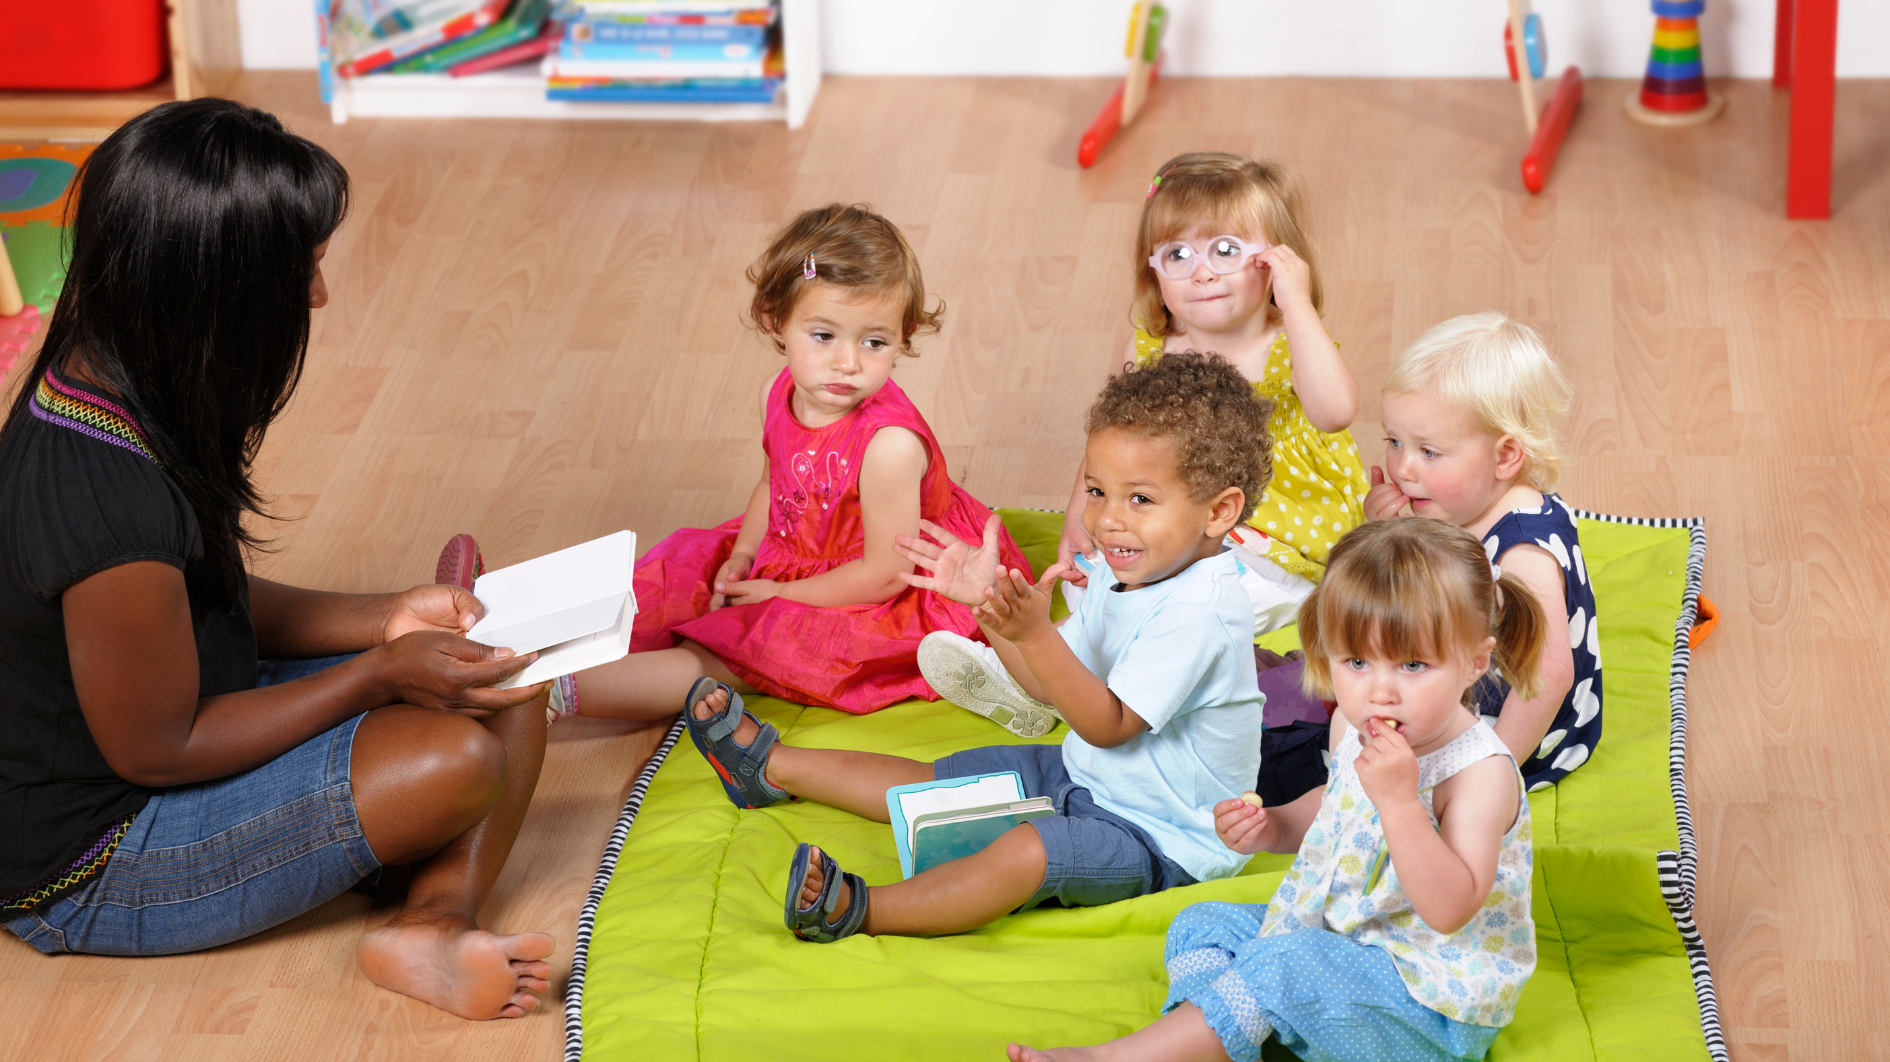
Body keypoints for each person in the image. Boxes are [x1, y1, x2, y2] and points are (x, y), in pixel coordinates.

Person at [0, 99, 556, 1021]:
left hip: (189, 728)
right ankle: (421, 903)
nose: (315, 296)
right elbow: (162, 748)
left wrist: (388, 618)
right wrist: (376, 673)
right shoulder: (105, 500)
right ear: (211, 290)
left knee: (508, 668)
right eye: (299, 270)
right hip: (100, 861)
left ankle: (430, 919)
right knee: (455, 757)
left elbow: (205, 600)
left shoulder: (112, 386)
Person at [682, 352, 1269, 942]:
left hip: (1161, 838)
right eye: (1096, 490)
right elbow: (1046, 686)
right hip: (1085, 777)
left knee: (1029, 853)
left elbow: (1108, 723)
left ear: (1219, 510)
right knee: (938, 782)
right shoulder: (1121, 576)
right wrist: (990, 609)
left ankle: (858, 910)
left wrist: (1036, 633)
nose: (1107, 519)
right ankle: (765, 767)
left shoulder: (1203, 614)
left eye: (1140, 499)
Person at [1007, 517, 1546, 1062]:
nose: (1381, 692)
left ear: (1475, 662)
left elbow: (1449, 908)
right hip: (1341, 937)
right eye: (1356, 663)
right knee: (1203, 924)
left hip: (1426, 1003)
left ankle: (1122, 1058)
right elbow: (1337, 807)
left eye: (1412, 665)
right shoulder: (1353, 729)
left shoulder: (1480, 774)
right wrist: (1275, 827)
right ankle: (1218, 1039)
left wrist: (1402, 804)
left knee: (1282, 965)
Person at [495, 203, 1029, 724]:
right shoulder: (777, 392)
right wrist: (746, 554)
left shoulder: (888, 446)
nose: (847, 363)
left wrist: (780, 594)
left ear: (903, 337)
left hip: (879, 591)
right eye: (823, 335)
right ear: (777, 321)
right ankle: (497, 634)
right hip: (797, 550)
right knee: (670, 582)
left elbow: (884, 577)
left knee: (740, 652)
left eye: (874, 342)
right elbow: (774, 482)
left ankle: (539, 690)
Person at [1058, 150, 1369, 613]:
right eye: (1178, 255)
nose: (1202, 273)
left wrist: (1296, 303)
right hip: (1175, 506)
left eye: (1226, 251)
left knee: (1228, 595)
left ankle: (1167, 624)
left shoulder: (1290, 343)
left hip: (1272, 524)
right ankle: (1081, 649)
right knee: (1087, 580)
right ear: (1154, 270)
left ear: (1275, 261)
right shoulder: (1151, 344)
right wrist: (1079, 515)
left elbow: (1335, 412)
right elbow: (1113, 437)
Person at [1364, 311, 1595, 790]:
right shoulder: (1458, 506)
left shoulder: (1522, 552)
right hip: (1466, 670)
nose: (1404, 469)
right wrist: (1385, 532)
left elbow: (1549, 677)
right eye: (1393, 441)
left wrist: (1490, 770)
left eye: (1428, 451)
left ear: (1505, 457)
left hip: (1520, 725)